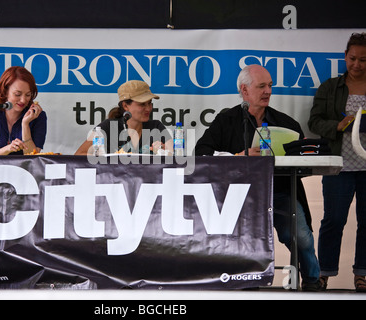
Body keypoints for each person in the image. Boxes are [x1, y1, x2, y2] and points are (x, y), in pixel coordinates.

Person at [195, 64, 322, 291]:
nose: (268, 91)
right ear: (245, 90)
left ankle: (313, 282)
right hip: (239, 197)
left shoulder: (286, 123)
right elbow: (201, 153)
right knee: (238, 241)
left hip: (279, 191)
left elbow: (303, 158)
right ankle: (245, 282)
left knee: (301, 237)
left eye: (270, 86)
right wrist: (238, 155)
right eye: (261, 86)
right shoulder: (226, 120)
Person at [308, 32, 366, 292]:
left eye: (364, 60)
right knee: (333, 220)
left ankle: (362, 275)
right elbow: (314, 121)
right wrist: (338, 125)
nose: (357, 65)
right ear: (344, 56)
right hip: (338, 165)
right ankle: (323, 273)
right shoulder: (330, 87)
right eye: (352, 58)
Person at [75, 80, 173, 155]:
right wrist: (104, 158)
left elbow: (174, 157)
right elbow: (79, 154)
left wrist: (163, 152)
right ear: (125, 106)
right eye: (142, 104)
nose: (148, 108)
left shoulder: (156, 126)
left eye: (150, 103)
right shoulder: (109, 126)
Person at [0, 66, 47, 155]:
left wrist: (25, 124)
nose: (23, 100)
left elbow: (33, 156)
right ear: (5, 91)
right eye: (17, 94)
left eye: (28, 95)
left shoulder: (38, 116)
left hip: (24, 168)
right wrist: (8, 149)